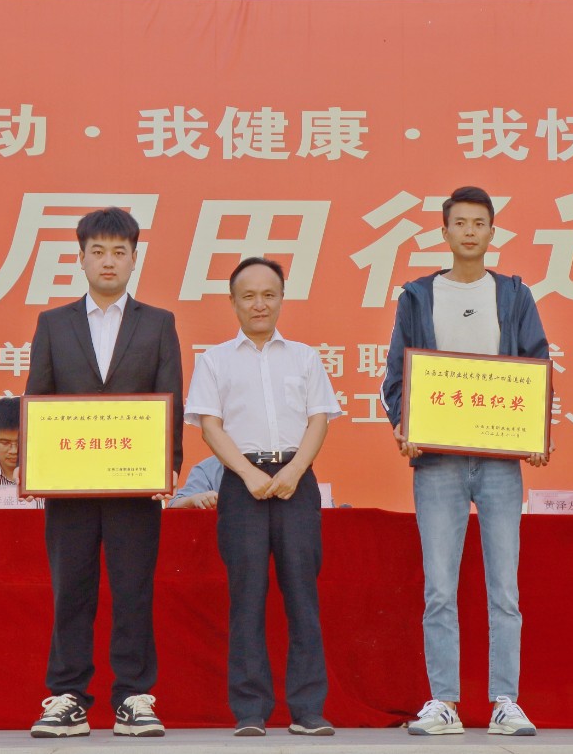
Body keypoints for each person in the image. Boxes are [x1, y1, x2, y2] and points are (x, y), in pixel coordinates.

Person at [381, 185, 550, 737]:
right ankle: (444, 702)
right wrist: (405, 425)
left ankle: (505, 701)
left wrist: (532, 431)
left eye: (479, 223)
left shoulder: (514, 295)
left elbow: (536, 367)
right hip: (438, 463)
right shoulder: (418, 296)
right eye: (460, 223)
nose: (470, 231)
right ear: (445, 231)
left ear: (492, 232)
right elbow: (397, 377)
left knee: (505, 589)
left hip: (499, 462)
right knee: (439, 589)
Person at [25, 207, 184, 740]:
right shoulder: (54, 324)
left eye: (119, 251)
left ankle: (133, 697)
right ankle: (68, 697)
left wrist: (168, 465)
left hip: (135, 485)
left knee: (133, 590)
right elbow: (38, 396)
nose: (108, 261)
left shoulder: (158, 323)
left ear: (134, 259)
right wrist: (40, 466)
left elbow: (170, 396)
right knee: (72, 590)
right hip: (69, 486)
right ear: (81, 259)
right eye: (98, 251)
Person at [188, 257, 342, 737]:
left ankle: (308, 710)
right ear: (233, 302)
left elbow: (319, 418)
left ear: (281, 299)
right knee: (247, 597)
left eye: (269, 295)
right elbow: (210, 425)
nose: (260, 304)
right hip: (241, 483)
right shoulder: (214, 360)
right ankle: (250, 712)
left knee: (303, 596)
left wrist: (294, 470)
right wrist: (247, 473)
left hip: (297, 480)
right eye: (249, 296)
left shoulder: (305, 357)